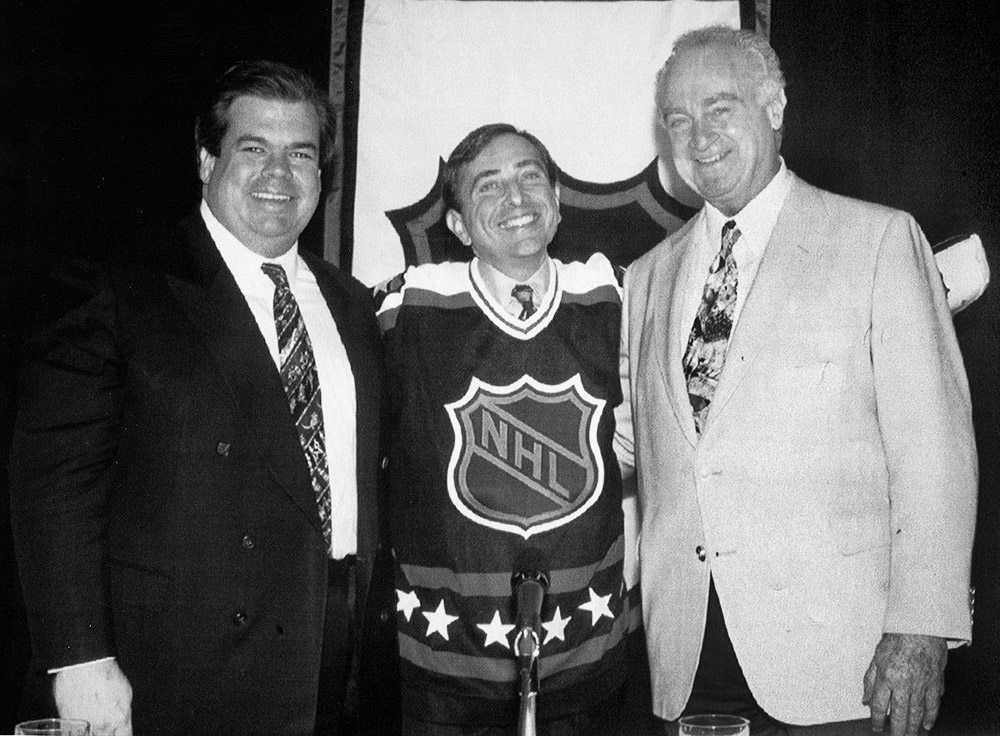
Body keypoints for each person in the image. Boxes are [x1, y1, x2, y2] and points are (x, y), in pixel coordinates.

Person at [9, 60, 391, 736]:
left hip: (335, 652)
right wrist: (78, 659)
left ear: (323, 176)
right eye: (254, 149)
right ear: (206, 159)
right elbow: (53, 486)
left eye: (300, 154)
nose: (279, 174)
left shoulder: (352, 304)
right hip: (179, 665)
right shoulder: (122, 285)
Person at [614, 26, 977, 736]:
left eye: (720, 108)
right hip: (687, 665)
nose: (699, 135)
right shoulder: (646, 277)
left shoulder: (876, 241)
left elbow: (933, 451)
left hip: (842, 666)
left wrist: (922, 629)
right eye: (678, 119)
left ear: (775, 106)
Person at [374, 123, 632, 735]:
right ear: (459, 227)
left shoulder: (614, 296)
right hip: (448, 667)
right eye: (488, 187)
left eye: (529, 177)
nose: (515, 199)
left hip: (585, 657)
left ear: (558, 202)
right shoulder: (403, 310)